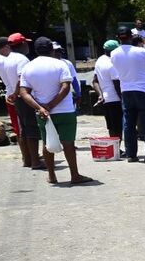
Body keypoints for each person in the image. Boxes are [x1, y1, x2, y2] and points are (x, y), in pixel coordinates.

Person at [17, 37, 92, 184]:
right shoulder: (60, 64)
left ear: (36, 50)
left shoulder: (28, 67)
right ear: (52, 49)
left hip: (43, 113)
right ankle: (74, 175)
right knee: (68, 143)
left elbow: (24, 92)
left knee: (47, 143)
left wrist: (41, 107)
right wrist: (50, 105)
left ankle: (51, 176)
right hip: (65, 111)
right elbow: (65, 88)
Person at [110, 29, 145, 162]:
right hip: (143, 90)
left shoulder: (113, 53)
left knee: (128, 124)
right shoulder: (141, 51)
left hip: (126, 91)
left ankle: (131, 154)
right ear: (131, 37)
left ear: (118, 37)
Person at [1, 33, 42, 169]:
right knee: (31, 128)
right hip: (23, 96)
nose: (27, 45)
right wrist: (17, 92)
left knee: (23, 128)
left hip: (16, 98)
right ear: (22, 44)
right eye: (26, 43)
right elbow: (21, 78)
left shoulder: (8, 59)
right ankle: (35, 161)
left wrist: (14, 93)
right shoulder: (22, 59)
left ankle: (27, 160)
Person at [92, 40, 123, 138]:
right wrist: (122, 99)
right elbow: (116, 83)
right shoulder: (112, 63)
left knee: (111, 126)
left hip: (106, 99)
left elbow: (94, 81)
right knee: (118, 126)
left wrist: (100, 95)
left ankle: (114, 148)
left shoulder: (99, 61)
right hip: (115, 98)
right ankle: (117, 148)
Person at [51, 42, 81, 109]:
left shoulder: (67, 63)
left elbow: (74, 80)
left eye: (59, 50)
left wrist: (78, 94)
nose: (58, 53)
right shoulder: (46, 64)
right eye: (55, 51)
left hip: (66, 98)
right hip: (50, 98)